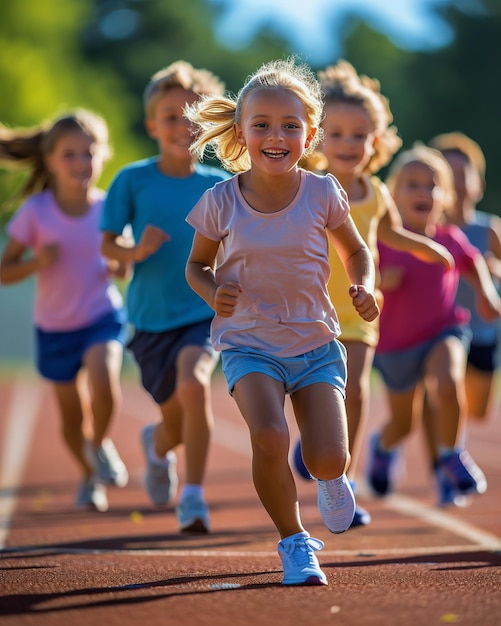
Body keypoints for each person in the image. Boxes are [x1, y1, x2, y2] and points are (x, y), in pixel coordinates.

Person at [184, 57, 380, 586]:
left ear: (310, 134)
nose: (277, 135)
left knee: (326, 456)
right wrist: (213, 292)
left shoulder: (322, 193)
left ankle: (333, 477)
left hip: (315, 343)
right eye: (262, 125)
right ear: (242, 133)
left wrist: (365, 286)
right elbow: (196, 265)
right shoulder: (220, 201)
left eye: (290, 125)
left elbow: (357, 253)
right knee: (268, 434)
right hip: (249, 343)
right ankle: (294, 542)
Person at [291, 61, 453, 528]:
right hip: (308, 309)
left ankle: (342, 478)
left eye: (359, 135)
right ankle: (316, 443)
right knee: (314, 392)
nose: (348, 144)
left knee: (356, 391)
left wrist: (428, 248)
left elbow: (393, 234)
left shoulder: (377, 193)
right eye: (337, 133)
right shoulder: (306, 187)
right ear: (318, 137)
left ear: (375, 142)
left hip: (361, 310)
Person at [100, 60, 230, 534]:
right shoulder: (132, 180)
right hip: (150, 320)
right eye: (171, 116)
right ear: (153, 124)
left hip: (203, 311)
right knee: (174, 417)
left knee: (194, 384)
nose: (182, 125)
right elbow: (108, 243)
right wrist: (138, 249)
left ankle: (192, 498)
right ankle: (158, 446)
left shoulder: (219, 185)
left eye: (192, 115)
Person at [0, 110, 129, 512]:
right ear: (51, 159)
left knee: (105, 380)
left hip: (101, 315)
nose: (80, 163)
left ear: (102, 157)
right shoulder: (36, 213)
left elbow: (124, 263)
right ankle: (88, 473)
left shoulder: (109, 207)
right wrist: (37, 263)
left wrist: (120, 266)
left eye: (88, 154)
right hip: (55, 327)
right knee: (71, 418)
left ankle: (101, 443)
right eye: (70, 154)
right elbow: (5, 272)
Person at [367, 144, 501, 505]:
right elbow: (358, 276)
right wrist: (379, 280)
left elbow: (473, 264)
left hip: (444, 329)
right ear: (394, 194)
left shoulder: (449, 237)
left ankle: (451, 454)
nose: (423, 192)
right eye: (412, 184)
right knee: (403, 422)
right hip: (396, 346)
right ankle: (382, 446)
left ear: (445, 196)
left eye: (432, 185)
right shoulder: (382, 241)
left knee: (448, 378)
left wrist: (488, 295)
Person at [429, 132, 501, 422]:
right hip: (439, 332)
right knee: (441, 400)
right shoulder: (426, 233)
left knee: (477, 412)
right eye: (446, 174)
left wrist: (493, 269)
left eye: (462, 174)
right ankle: (444, 457)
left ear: (478, 185)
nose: (455, 183)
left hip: (482, 330)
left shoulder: (490, 230)